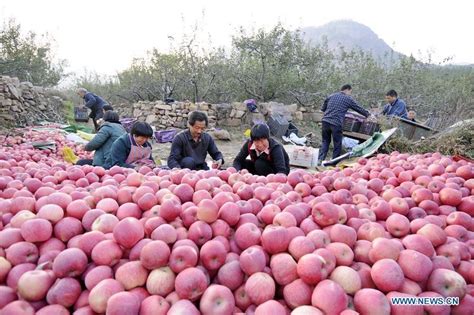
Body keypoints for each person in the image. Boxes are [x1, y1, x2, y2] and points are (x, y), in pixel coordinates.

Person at [319, 84, 371, 161]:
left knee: (325, 141)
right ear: (347, 89)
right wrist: (368, 114)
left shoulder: (331, 96)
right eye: (350, 92)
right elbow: (358, 108)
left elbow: (323, 109)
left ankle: (320, 160)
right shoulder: (347, 99)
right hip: (336, 123)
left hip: (325, 121)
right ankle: (334, 162)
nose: (350, 93)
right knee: (337, 144)